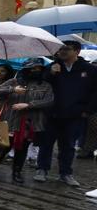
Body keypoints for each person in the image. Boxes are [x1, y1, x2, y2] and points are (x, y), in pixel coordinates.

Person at [34, 41, 97, 187]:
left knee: (68, 145)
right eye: (60, 49)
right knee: (46, 143)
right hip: (52, 113)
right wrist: (50, 74)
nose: (62, 51)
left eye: (66, 49)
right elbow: (41, 84)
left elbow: (95, 92)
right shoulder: (53, 67)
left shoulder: (89, 70)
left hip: (75, 114)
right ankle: (42, 169)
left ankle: (65, 173)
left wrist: (88, 110)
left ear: (77, 51)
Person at [0, 59, 54, 184]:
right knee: (3, 147)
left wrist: (28, 105)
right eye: (32, 68)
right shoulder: (14, 82)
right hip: (11, 121)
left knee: (22, 149)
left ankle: (17, 172)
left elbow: (49, 101)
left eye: (38, 69)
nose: (35, 71)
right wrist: (12, 90)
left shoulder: (45, 85)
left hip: (30, 123)